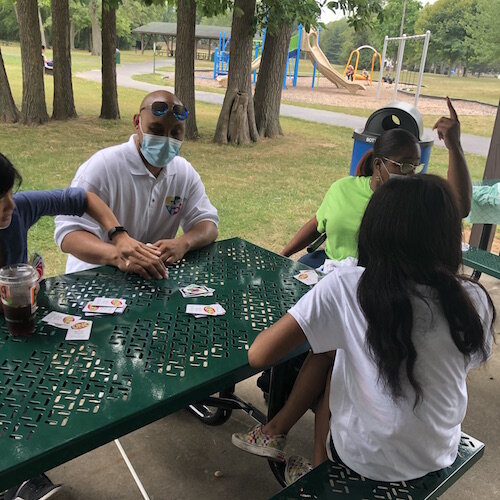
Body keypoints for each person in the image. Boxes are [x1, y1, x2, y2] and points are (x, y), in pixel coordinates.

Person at [234, 174, 495, 485]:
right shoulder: (473, 298)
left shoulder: (348, 286)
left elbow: (260, 355)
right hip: (436, 452)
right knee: (343, 355)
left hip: (364, 459)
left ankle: (320, 469)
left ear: (374, 230)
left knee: (335, 363)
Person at [0, 153, 165, 499]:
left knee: (28, 395)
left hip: (22, 330)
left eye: (9, 194)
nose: (10, 206)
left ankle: (27, 475)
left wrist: (117, 235)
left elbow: (82, 198)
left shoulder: (19, 210)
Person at [281, 97, 470, 269]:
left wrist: (455, 146)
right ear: (379, 165)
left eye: (415, 166)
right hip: (331, 272)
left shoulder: (415, 201)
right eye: (404, 166)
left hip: (379, 286)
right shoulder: (343, 188)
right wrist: (283, 255)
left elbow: (459, 208)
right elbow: (316, 224)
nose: (411, 173)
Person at [54, 90, 219, 277]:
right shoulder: (104, 166)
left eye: (175, 133)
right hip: (94, 277)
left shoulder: (184, 173)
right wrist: (118, 255)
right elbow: (68, 234)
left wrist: (183, 243)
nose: (166, 140)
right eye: (156, 130)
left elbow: (208, 225)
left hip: (151, 278)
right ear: (137, 122)